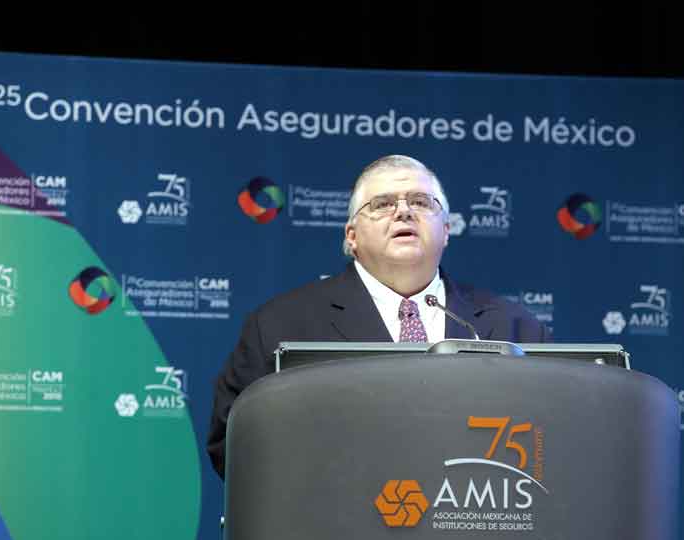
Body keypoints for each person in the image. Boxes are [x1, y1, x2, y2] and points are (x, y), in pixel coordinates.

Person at [207, 155, 550, 477]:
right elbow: (235, 444)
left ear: (446, 229)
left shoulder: (515, 329)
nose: (404, 212)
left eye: (421, 202)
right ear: (352, 236)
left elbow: (552, 442)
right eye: (383, 204)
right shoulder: (281, 326)